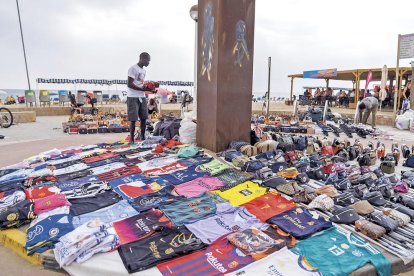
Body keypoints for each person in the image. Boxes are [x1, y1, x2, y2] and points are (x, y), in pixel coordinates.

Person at [126, 52, 155, 144]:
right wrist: (142, 89)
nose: (148, 63)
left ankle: (142, 137)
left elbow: (141, 84)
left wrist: (149, 90)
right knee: (133, 119)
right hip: (132, 96)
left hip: (141, 97)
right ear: (142, 58)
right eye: (148, 60)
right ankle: (131, 139)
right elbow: (130, 84)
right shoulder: (133, 69)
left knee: (143, 118)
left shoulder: (144, 71)